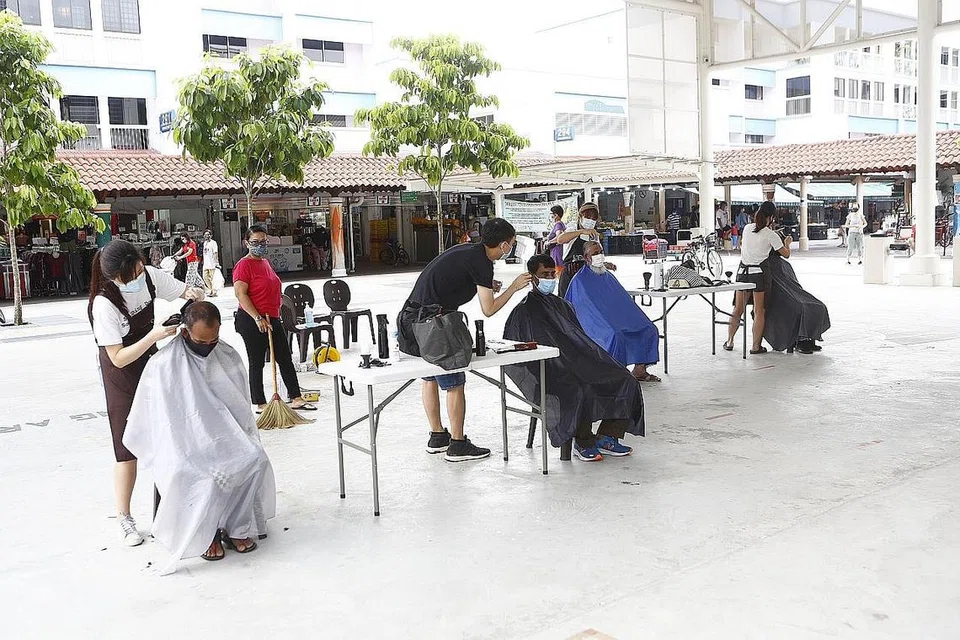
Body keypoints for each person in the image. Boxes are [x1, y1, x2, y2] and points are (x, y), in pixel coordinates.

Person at [123, 302, 276, 573]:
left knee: (254, 458)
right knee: (201, 475)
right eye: (201, 340)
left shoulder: (226, 355)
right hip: (184, 446)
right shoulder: (163, 365)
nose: (209, 345)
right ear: (184, 333)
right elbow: (162, 423)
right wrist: (193, 446)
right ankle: (206, 534)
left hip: (225, 438)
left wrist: (233, 439)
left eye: (214, 339)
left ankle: (237, 526)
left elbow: (239, 411)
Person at [87, 239, 204, 546]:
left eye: (139, 269)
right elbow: (117, 357)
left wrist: (193, 296)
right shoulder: (104, 304)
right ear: (114, 276)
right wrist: (154, 334)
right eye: (131, 275)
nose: (137, 277)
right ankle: (124, 517)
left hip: (151, 365)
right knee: (127, 449)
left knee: (167, 436)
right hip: (121, 374)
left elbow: (185, 291)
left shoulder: (150, 276)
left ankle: (173, 506)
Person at [397, 218, 532, 462]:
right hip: (434, 325)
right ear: (502, 245)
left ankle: (437, 436)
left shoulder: (467, 250)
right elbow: (488, 309)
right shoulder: (482, 262)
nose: (511, 247)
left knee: (429, 376)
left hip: (411, 318)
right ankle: (458, 444)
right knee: (454, 381)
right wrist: (514, 287)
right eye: (511, 243)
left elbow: (451, 277)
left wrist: (486, 284)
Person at [504, 254, 645, 461]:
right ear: (532, 277)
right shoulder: (523, 312)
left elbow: (578, 341)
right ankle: (583, 442)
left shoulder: (562, 305)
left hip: (576, 361)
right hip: (547, 369)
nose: (550, 278)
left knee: (625, 379)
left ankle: (607, 436)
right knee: (578, 387)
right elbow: (520, 351)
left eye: (553, 274)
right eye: (545, 274)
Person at [233, 225, 316, 413]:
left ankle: (296, 397)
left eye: (263, 242)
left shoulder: (265, 262)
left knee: (284, 357)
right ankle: (260, 402)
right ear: (247, 243)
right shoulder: (243, 265)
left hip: (272, 317)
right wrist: (257, 317)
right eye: (255, 242)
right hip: (251, 319)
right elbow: (241, 294)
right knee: (257, 361)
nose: (260, 246)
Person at [564, 241, 661, 382]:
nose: (599, 256)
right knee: (615, 335)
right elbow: (584, 309)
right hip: (595, 323)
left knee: (649, 329)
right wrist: (609, 322)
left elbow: (622, 302)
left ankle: (639, 370)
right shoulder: (580, 280)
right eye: (595, 253)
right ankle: (616, 375)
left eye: (601, 252)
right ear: (586, 258)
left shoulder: (607, 275)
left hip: (617, 318)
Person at [724, 201, 791, 355]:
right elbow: (786, 254)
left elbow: (743, 245)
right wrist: (787, 243)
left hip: (742, 272)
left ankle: (729, 341)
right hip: (758, 275)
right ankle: (755, 346)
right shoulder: (771, 235)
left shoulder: (747, 228)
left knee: (737, 309)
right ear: (772, 217)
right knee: (759, 310)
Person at [763, 234, 831, 355]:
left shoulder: (784, 265)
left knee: (819, 306)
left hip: (793, 293)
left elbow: (795, 285)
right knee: (800, 307)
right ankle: (801, 340)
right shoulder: (767, 265)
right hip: (781, 296)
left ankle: (810, 337)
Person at [552, 202, 602, 298]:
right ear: (581, 216)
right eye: (588, 217)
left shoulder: (594, 234)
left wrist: (603, 264)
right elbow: (560, 239)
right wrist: (581, 231)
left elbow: (597, 254)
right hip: (570, 275)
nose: (590, 221)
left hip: (587, 275)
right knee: (567, 302)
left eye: (593, 219)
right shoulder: (573, 228)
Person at [544, 205, 567, 279]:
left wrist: (549, 242)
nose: (550, 216)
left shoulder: (558, 224)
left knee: (559, 272)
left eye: (551, 214)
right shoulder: (560, 224)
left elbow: (558, 237)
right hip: (557, 250)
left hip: (557, 251)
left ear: (556, 215)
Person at [201, 229, 219, 297]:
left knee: (212, 279)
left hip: (212, 263)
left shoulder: (213, 243)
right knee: (205, 277)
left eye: (208, 234)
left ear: (211, 235)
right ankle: (211, 290)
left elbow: (215, 253)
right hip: (206, 263)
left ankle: (213, 291)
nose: (207, 236)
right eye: (205, 235)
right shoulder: (205, 243)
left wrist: (216, 262)